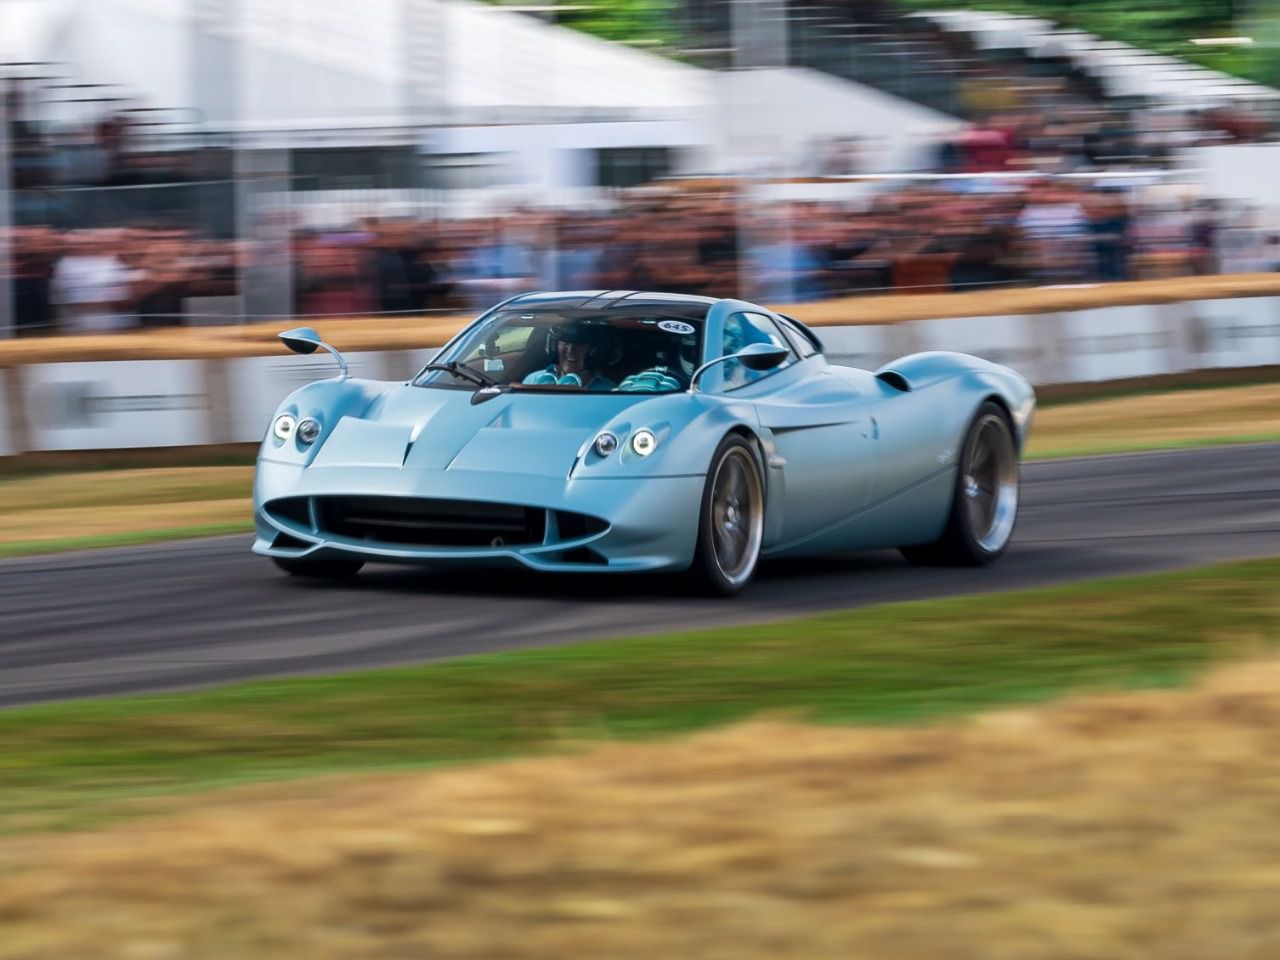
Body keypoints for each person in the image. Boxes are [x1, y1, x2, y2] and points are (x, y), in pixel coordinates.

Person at [522, 321, 616, 391]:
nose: (571, 351)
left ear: (592, 350)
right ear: (554, 347)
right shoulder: (533, 380)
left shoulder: (607, 389)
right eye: (565, 342)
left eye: (579, 344)